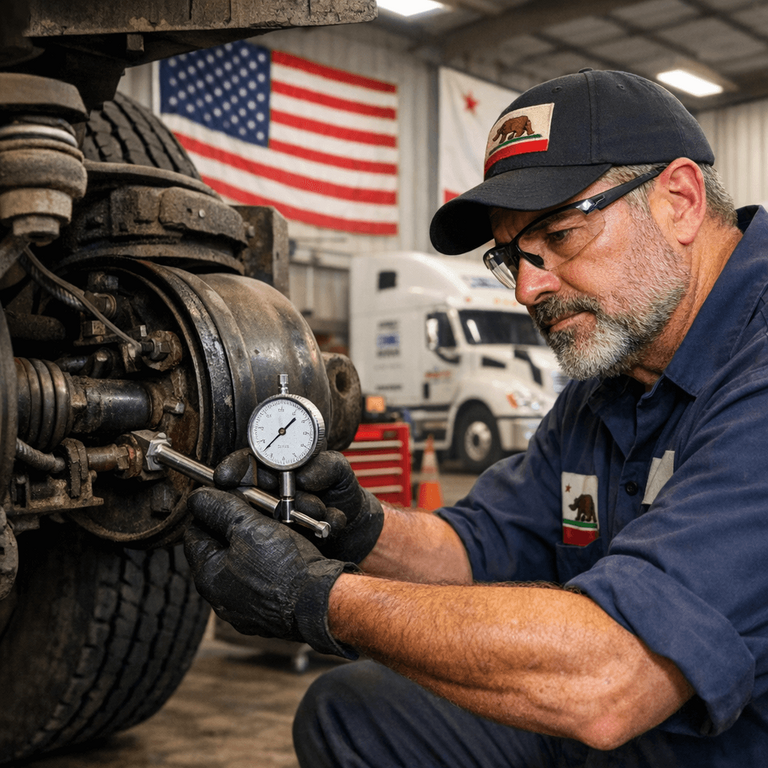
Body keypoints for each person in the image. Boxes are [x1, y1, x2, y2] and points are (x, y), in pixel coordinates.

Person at [183, 69, 768, 766]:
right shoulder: (615, 375)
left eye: (559, 234)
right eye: (512, 256)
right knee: (353, 714)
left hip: (719, 741)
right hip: (631, 738)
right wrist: (356, 526)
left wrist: (318, 598)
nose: (528, 288)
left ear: (679, 201)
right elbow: (486, 543)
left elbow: (613, 677)